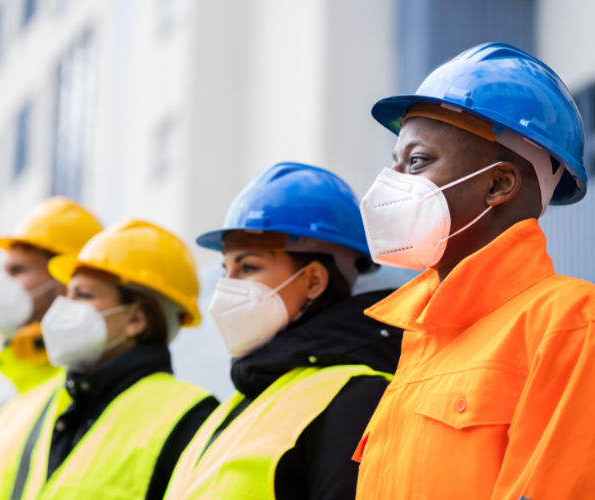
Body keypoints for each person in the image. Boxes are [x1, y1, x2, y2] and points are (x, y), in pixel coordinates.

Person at [355, 42, 595, 499]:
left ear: (499, 184)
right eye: (396, 165)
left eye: (418, 162)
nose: (395, 183)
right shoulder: (420, 340)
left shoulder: (568, 322)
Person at [164, 163, 403, 500]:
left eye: (248, 267)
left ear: (314, 281)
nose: (226, 288)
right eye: (225, 270)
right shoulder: (242, 399)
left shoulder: (356, 397)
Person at [17, 219, 218, 500]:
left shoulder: (192, 417)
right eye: (68, 294)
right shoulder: (65, 403)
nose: (63, 308)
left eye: (83, 295)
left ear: (135, 319)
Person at [0, 196, 102, 500]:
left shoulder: (79, 392)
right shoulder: (13, 404)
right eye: (4, 270)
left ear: (66, 283)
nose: (1, 285)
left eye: (18, 270)